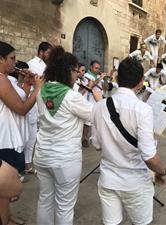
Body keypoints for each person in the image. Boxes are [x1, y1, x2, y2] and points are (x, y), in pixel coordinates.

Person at [91, 57, 166, 225]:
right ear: (141, 82)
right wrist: (162, 171)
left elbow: (96, 145)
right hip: (135, 182)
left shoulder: (99, 106)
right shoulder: (143, 110)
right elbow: (149, 157)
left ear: (116, 78)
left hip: (108, 179)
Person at [34, 46, 101, 225]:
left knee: (45, 200)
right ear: (68, 70)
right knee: (64, 206)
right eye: (75, 71)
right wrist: (99, 99)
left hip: (42, 155)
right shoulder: (72, 97)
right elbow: (96, 116)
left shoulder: (41, 90)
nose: (78, 76)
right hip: (65, 159)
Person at [0, 41, 44, 225]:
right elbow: (21, 108)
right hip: (4, 138)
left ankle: (7, 216)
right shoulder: (0, 79)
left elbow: (20, 98)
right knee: (5, 188)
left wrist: (27, 85)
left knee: (3, 191)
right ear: (0, 59)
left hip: (9, 136)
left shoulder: (6, 78)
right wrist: (38, 89)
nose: (14, 63)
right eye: (11, 59)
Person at [26, 42, 53, 174]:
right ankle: (27, 164)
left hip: (43, 102)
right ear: (41, 52)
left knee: (38, 134)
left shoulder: (48, 65)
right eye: (48, 53)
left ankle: (34, 162)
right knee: (31, 134)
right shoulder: (32, 63)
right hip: (33, 101)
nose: (49, 55)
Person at [82, 60, 102, 147]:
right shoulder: (86, 76)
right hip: (88, 100)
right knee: (87, 122)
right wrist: (100, 79)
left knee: (94, 121)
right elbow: (89, 87)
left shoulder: (98, 76)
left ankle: (93, 138)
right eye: (96, 68)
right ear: (91, 67)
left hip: (97, 101)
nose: (97, 70)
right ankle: (85, 138)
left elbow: (104, 88)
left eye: (98, 68)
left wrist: (104, 81)